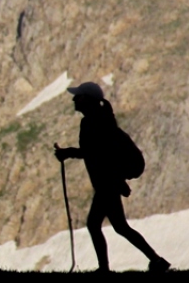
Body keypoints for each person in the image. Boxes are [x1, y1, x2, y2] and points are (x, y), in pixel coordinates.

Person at [53, 82, 170, 272]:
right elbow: (97, 152)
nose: (74, 99)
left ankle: (106, 269)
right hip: (108, 181)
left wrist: (68, 153)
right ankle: (156, 261)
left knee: (97, 224)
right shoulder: (98, 120)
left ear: (87, 99)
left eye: (78, 96)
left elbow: (97, 153)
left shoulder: (94, 122)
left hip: (107, 182)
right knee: (120, 227)